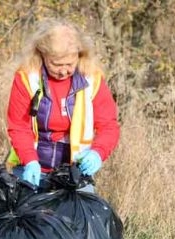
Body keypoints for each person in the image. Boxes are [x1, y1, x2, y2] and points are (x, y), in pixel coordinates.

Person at [6, 18, 120, 190]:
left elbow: (109, 126)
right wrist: (29, 160)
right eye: (56, 64)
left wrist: (98, 152)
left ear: (80, 56)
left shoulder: (92, 79)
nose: (64, 71)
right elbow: (19, 127)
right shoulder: (27, 78)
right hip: (32, 167)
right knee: (26, 216)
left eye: (69, 64)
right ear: (42, 55)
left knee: (83, 216)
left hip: (75, 172)